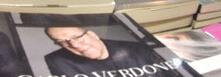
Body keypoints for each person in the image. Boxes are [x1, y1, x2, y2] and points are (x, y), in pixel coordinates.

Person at [44, 26, 183, 76]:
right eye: (62, 42)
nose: (74, 44)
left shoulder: (139, 49)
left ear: (92, 35)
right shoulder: (58, 61)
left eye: (76, 37)